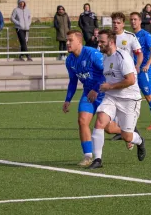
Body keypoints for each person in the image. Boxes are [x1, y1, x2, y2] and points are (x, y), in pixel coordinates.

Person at [87, 29, 146, 169]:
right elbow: (105, 78)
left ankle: (140, 141)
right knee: (100, 122)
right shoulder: (105, 57)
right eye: (98, 41)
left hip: (129, 100)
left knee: (127, 136)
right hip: (112, 97)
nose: (99, 44)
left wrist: (110, 86)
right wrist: (97, 89)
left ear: (111, 42)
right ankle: (98, 160)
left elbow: (131, 80)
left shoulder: (122, 57)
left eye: (102, 41)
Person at [62, 30, 105, 167]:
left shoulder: (92, 54)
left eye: (70, 40)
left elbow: (107, 73)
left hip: (104, 93)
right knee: (82, 121)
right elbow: (73, 81)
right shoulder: (70, 60)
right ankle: (88, 156)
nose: (67, 43)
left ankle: (132, 133)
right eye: (67, 40)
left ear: (79, 41)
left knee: (109, 128)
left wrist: (96, 88)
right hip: (88, 93)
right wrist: (68, 99)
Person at [130, 12, 151, 130]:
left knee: (149, 96)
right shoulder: (130, 36)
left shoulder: (145, 35)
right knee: (129, 97)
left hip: (143, 70)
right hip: (132, 71)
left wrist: (148, 64)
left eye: (135, 19)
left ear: (139, 21)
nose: (133, 22)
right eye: (131, 20)